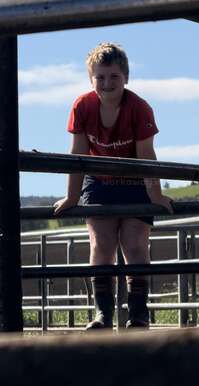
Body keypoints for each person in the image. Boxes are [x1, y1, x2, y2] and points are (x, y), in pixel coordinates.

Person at [54, 42, 173, 330]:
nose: (107, 83)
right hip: (99, 181)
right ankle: (103, 314)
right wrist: (72, 196)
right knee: (101, 244)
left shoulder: (139, 108)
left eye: (114, 77)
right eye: (100, 77)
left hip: (134, 180)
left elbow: (146, 155)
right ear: (91, 78)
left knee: (135, 245)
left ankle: (138, 314)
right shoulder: (83, 106)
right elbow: (79, 154)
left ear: (126, 78)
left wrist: (154, 194)